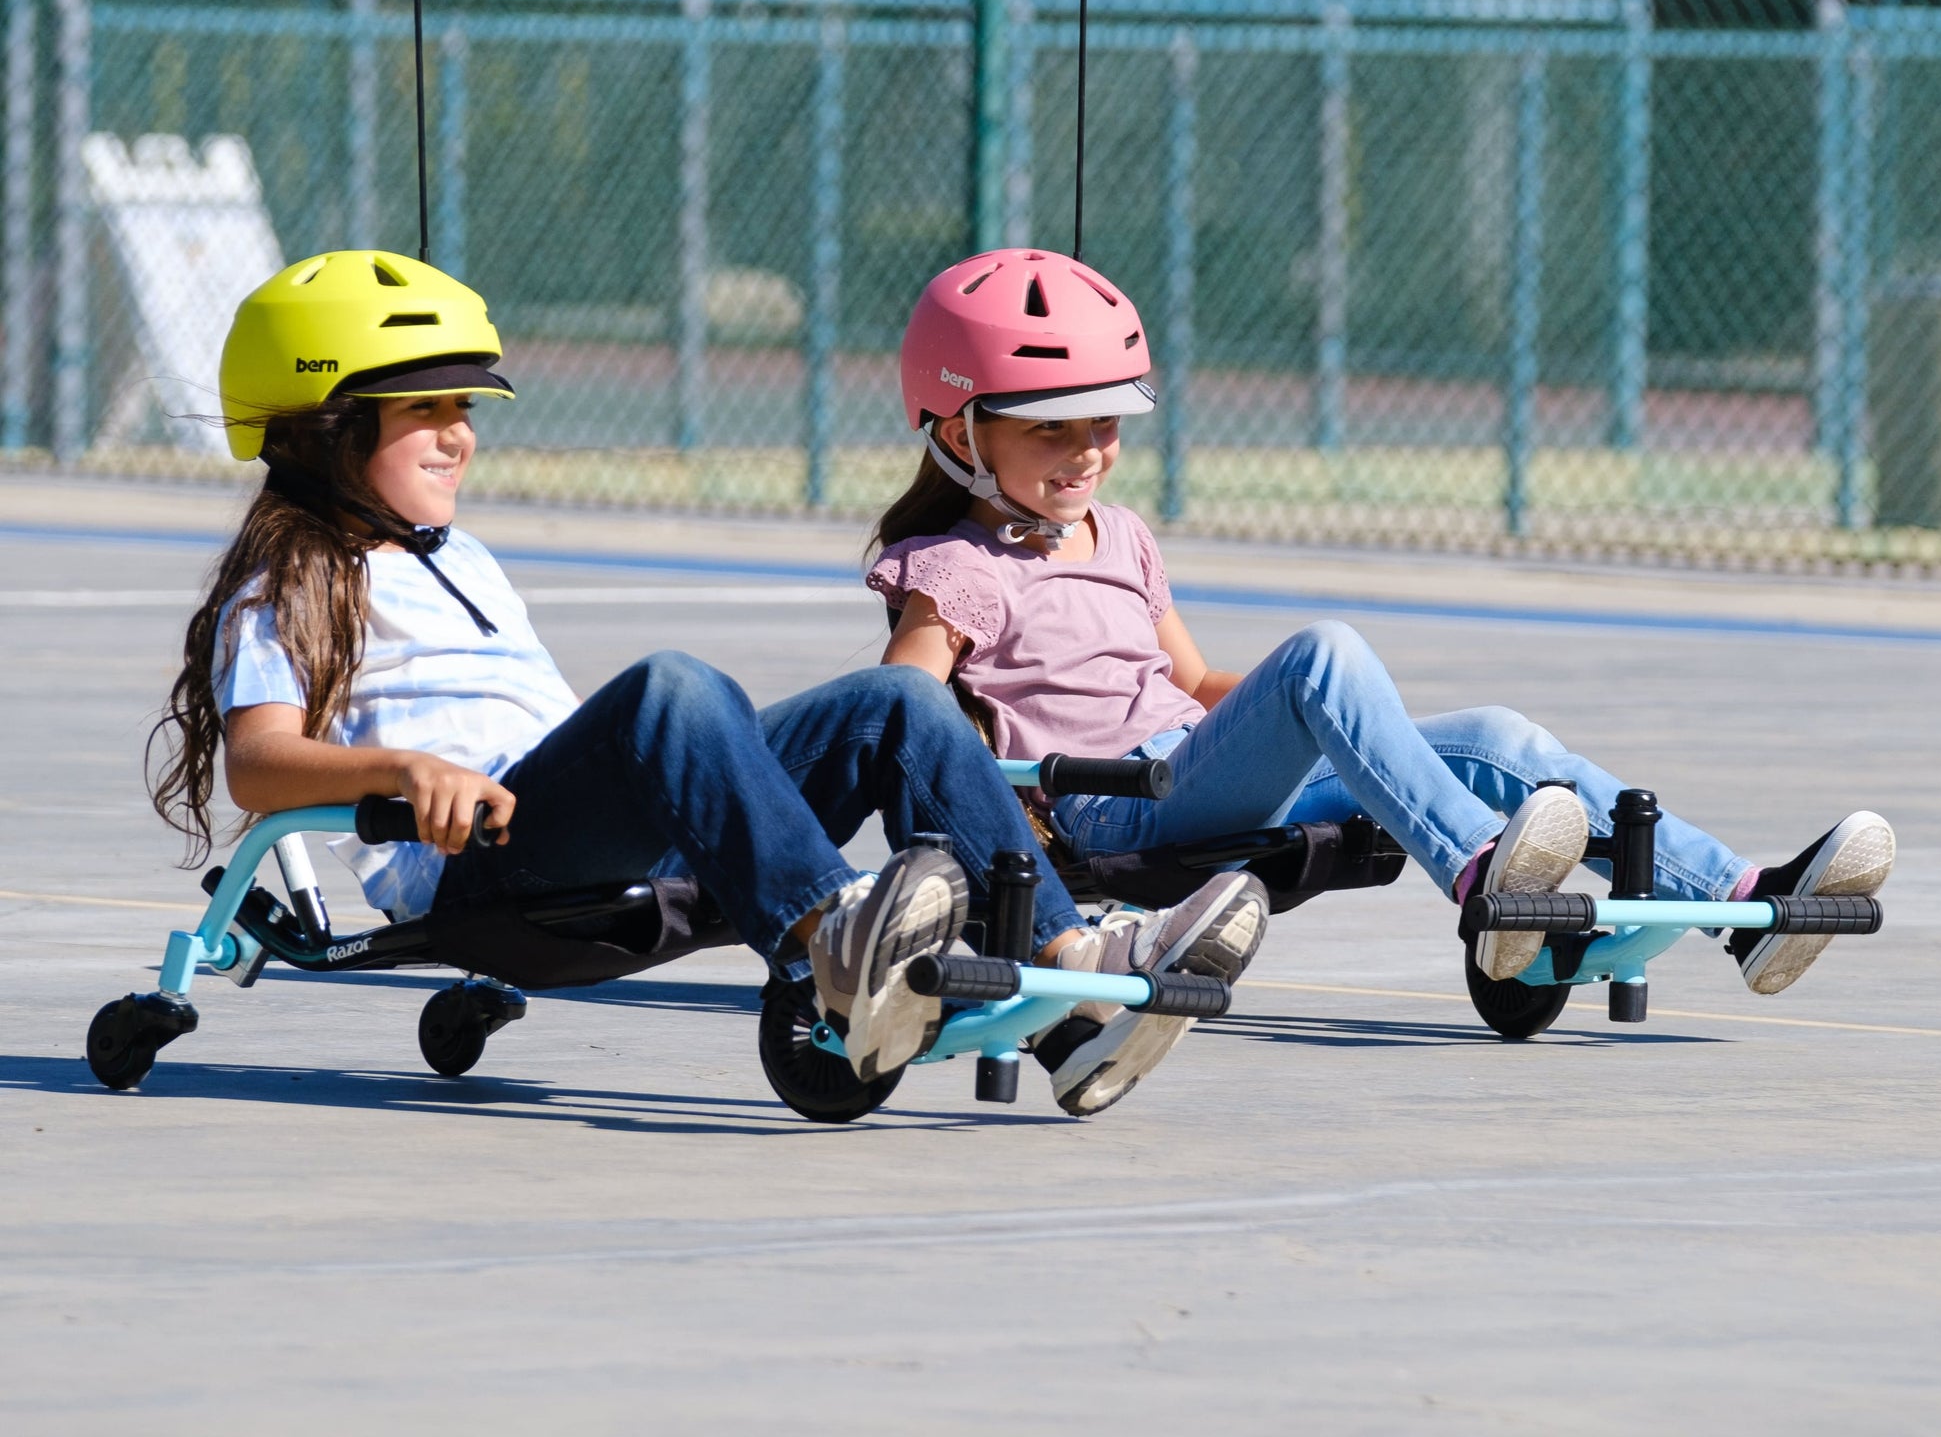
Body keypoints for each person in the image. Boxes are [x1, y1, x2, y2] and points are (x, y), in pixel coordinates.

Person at [146, 249, 1263, 1117]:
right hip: (487, 874)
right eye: (425, 413)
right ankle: (838, 941)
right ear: (324, 430)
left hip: (605, 838)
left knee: (899, 702)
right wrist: (403, 768)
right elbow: (256, 762)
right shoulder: (287, 584)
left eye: (466, 411)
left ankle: (1070, 983)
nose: (458, 438)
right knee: (673, 689)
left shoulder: (459, 555)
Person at [867, 247, 1895, 996]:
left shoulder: (1119, 534)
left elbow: (1190, 684)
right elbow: (902, 718)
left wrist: (1360, 726)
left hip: (1192, 757)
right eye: (1052, 427)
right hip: (1112, 804)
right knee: (1324, 652)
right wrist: (1011, 805)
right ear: (960, 426)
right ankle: (1480, 877)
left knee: (1488, 735)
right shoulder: (956, 570)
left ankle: (1740, 898)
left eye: (1105, 422)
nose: (1088, 450)